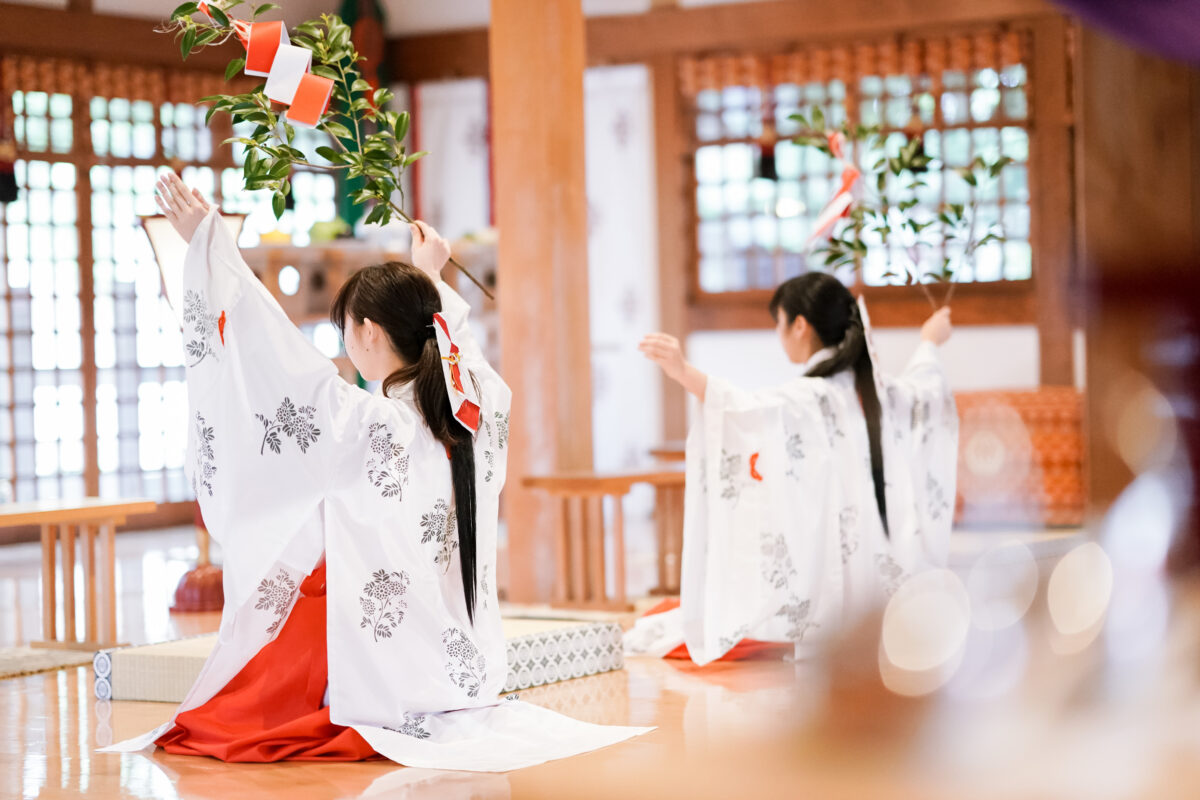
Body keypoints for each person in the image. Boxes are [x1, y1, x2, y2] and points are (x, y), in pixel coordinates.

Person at [103, 172, 649, 770]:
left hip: (391, 669)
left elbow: (276, 357)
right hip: (460, 658)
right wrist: (432, 272)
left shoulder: (373, 422)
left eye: (347, 331)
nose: (346, 346)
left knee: (299, 590)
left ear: (367, 331)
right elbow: (455, 344)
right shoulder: (477, 406)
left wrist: (210, 245)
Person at [625, 272, 958, 665]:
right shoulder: (884, 391)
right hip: (888, 580)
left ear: (799, 325)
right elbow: (928, 386)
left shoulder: (810, 397)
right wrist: (928, 343)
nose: (779, 335)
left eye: (778, 323)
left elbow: (742, 409)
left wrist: (682, 370)